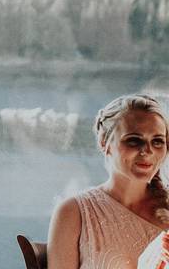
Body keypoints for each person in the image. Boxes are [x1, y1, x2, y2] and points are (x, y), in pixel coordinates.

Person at [48, 93, 169, 269]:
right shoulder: (73, 212)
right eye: (134, 140)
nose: (147, 151)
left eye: (157, 141)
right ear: (104, 142)